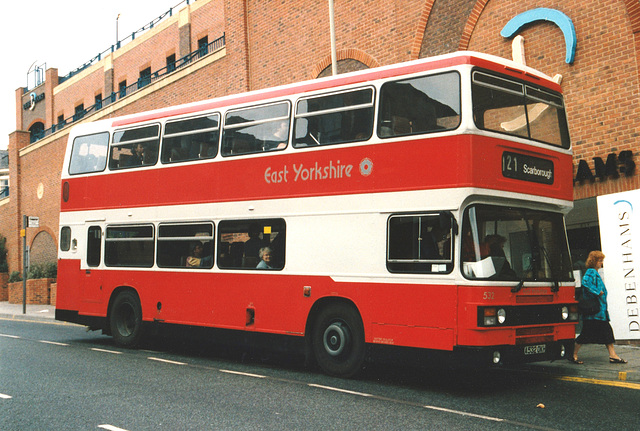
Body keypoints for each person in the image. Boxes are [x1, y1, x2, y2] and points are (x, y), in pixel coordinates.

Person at [571, 251, 627, 364]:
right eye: (600, 261)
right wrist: (597, 292)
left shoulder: (594, 272)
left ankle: (613, 355)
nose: (601, 263)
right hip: (594, 313)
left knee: (605, 333)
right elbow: (585, 283)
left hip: (599, 312)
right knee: (587, 334)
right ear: (594, 261)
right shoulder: (591, 272)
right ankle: (573, 354)